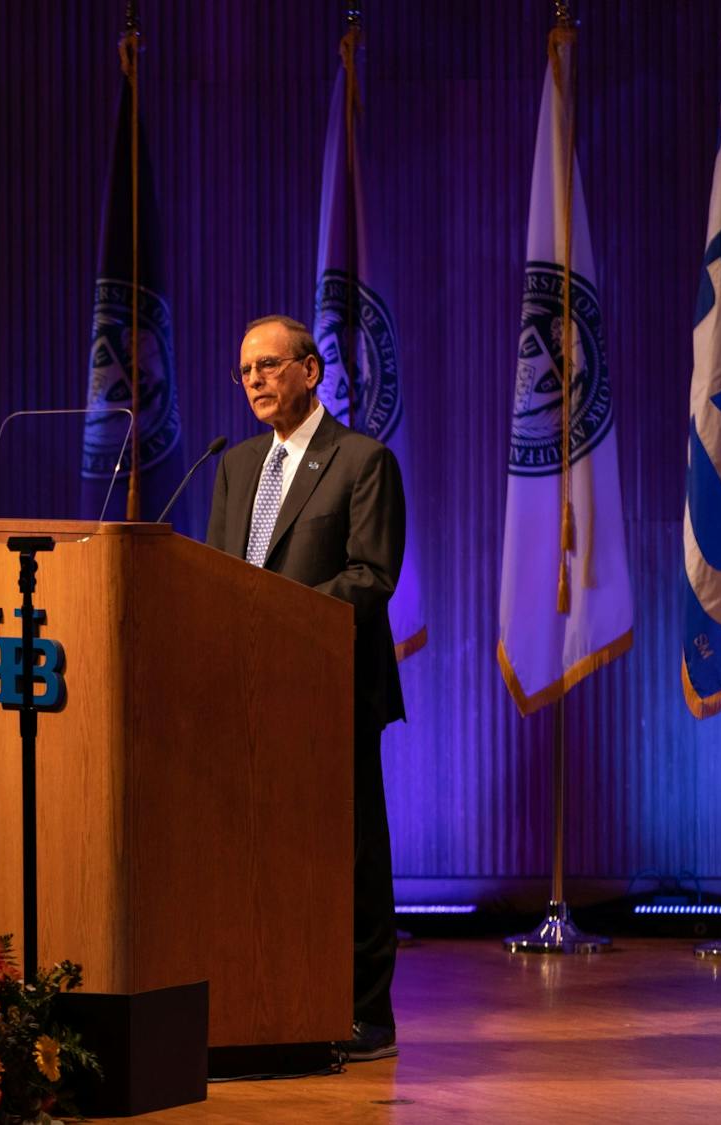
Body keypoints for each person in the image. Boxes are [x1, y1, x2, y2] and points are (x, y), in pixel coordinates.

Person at [205, 314, 405, 1062]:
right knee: (255, 849)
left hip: (331, 685)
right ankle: (268, 999)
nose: (254, 379)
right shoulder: (235, 466)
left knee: (349, 850)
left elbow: (370, 575)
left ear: (310, 371)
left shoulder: (362, 460)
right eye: (244, 370)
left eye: (268, 364)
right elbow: (219, 572)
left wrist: (276, 617)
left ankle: (365, 1012)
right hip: (248, 690)